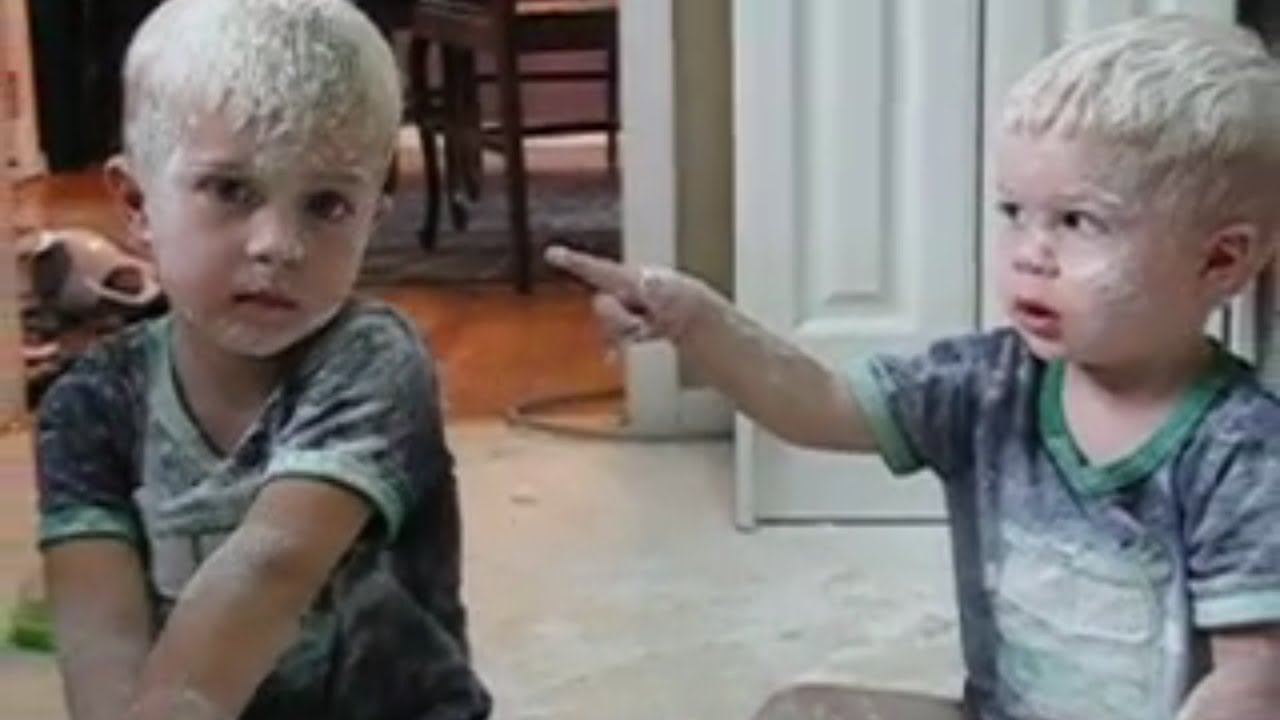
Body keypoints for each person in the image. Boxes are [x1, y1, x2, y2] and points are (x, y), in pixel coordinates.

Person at [549, 13, 1280, 720]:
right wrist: (698, 320)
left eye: (1078, 221)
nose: (1029, 251)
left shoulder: (1245, 456)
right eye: (1014, 211)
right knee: (802, 714)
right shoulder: (990, 385)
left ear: (1221, 259)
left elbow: (1252, 689)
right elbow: (819, 403)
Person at [33, 0, 492, 718]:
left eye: (327, 205)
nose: (277, 243)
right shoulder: (88, 406)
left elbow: (272, 568)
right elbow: (100, 635)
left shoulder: (374, 362)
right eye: (231, 190)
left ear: (375, 214)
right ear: (136, 202)